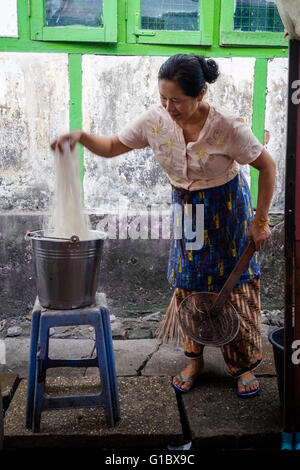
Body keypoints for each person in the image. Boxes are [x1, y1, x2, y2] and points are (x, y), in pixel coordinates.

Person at [51, 54, 276, 397]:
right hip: (187, 208)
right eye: (163, 98)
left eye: (177, 100)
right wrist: (81, 136)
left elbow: (268, 166)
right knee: (189, 280)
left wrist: (260, 222)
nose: (168, 107)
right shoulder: (154, 120)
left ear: (200, 94)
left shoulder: (227, 127)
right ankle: (194, 359)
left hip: (227, 207)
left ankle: (242, 365)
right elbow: (112, 146)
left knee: (237, 280)